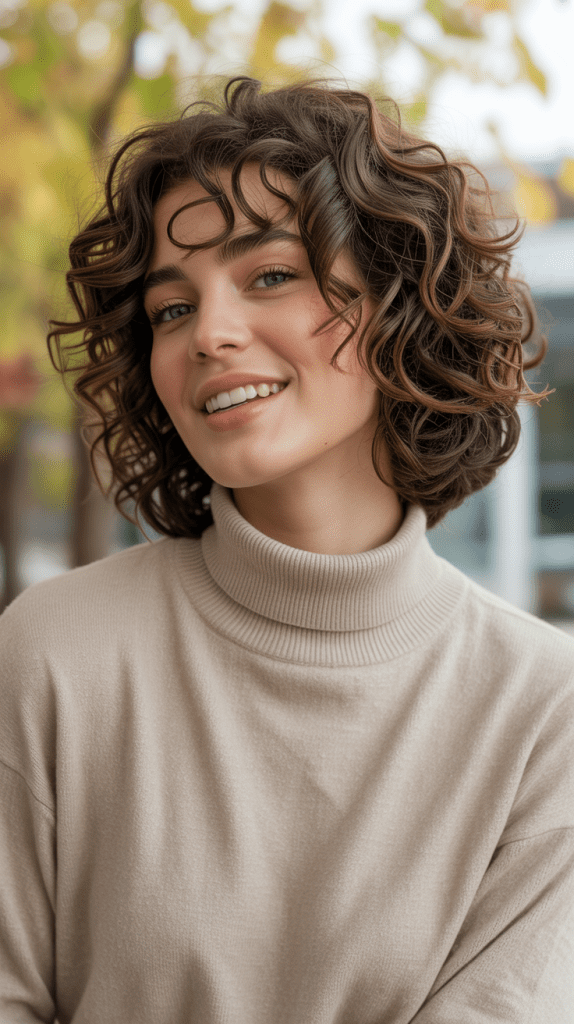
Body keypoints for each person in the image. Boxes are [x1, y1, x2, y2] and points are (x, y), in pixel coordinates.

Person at [1, 75, 573, 1023]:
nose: (209, 335)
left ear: (398, 302)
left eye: (269, 276)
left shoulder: (543, 710)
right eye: (170, 309)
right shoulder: (53, 651)